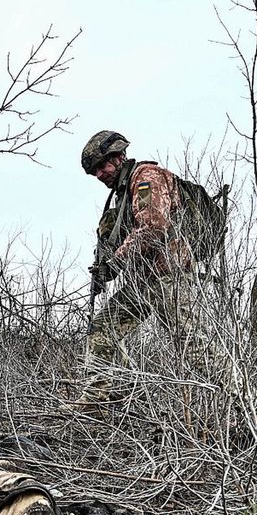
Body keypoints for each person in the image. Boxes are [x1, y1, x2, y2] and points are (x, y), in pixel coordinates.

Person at [76, 130, 205, 403]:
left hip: (169, 275)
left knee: (194, 349)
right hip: (142, 281)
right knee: (101, 331)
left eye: (103, 166)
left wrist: (116, 263)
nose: (100, 174)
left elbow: (152, 226)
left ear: (119, 156)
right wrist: (103, 266)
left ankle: (254, 403)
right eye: (95, 171)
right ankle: (95, 402)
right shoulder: (122, 194)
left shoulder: (147, 177)